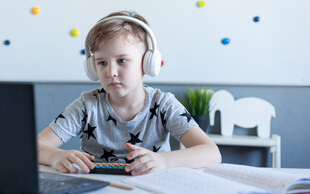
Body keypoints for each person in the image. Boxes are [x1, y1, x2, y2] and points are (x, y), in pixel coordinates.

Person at [37, 11, 221, 176]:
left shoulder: (164, 104)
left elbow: (211, 152)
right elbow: (34, 147)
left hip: (152, 191)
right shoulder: (87, 105)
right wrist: (56, 156)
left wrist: (164, 161)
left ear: (148, 63)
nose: (111, 72)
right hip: (99, 191)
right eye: (102, 63)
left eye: (122, 60)